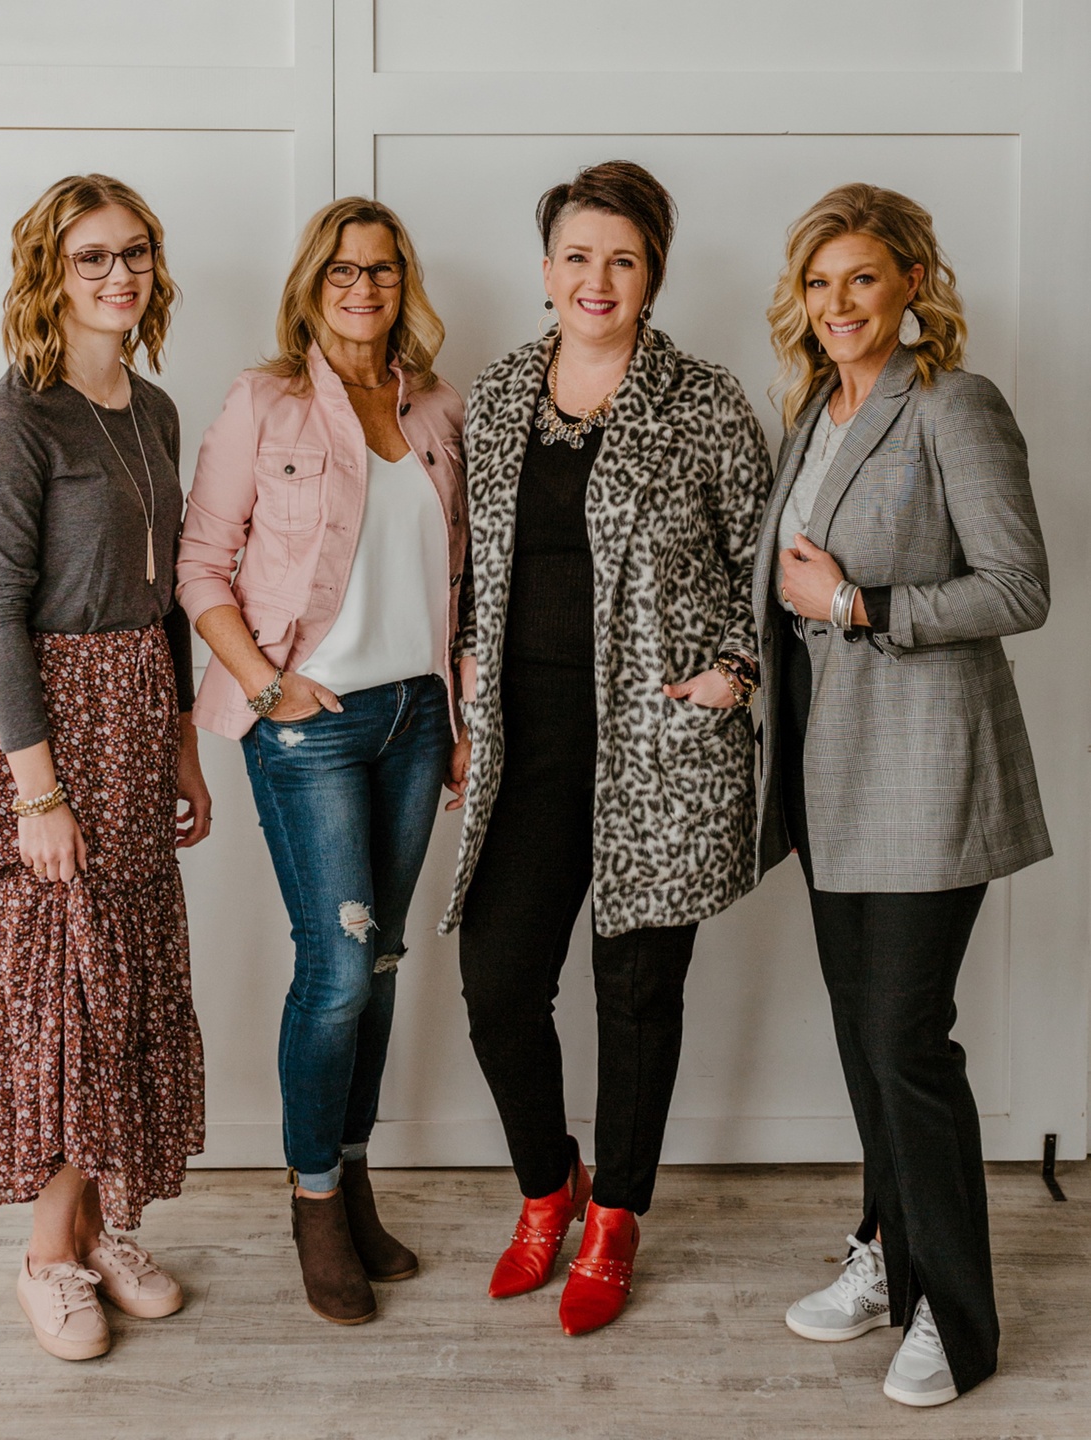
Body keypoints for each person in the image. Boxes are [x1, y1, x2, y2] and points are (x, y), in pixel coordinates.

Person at [440, 161, 772, 1336]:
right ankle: (549, 1186)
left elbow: (762, 558)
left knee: (635, 996)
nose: (598, 279)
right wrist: (465, 667)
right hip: (525, 738)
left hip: (658, 744)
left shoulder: (705, 402)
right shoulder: (496, 396)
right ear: (545, 272)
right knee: (498, 984)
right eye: (578, 256)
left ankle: (618, 1214)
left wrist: (736, 671)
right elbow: (472, 560)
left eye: (622, 259)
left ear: (651, 276)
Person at [755, 183, 1051, 1407]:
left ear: (910, 284)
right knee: (860, 1038)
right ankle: (886, 1254)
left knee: (903, 1042)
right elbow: (782, 590)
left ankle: (956, 1321)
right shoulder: (812, 411)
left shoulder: (951, 404)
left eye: (862, 279)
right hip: (827, 776)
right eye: (819, 282)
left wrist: (856, 604)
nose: (838, 304)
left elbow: (1018, 587)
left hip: (928, 774)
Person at [176, 197, 469, 1327]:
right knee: (337, 968)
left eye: (382, 270)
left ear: (405, 283)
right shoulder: (265, 402)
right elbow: (201, 565)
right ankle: (310, 1201)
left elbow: (463, 576)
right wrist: (265, 684)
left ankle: (351, 1178)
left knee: (381, 962)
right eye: (343, 270)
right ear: (312, 283)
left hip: (414, 715)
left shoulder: (437, 407)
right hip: (310, 725)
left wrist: (461, 715)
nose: (363, 288)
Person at [0, 174, 210, 1361]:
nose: (121, 274)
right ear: (49, 276)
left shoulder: (153, 410)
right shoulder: (15, 419)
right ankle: (46, 1257)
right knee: (66, 991)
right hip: (53, 727)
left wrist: (183, 743)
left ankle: (103, 1228)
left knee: (128, 984)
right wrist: (39, 792)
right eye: (93, 256)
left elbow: (168, 598)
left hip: (138, 715)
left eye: (137, 252)